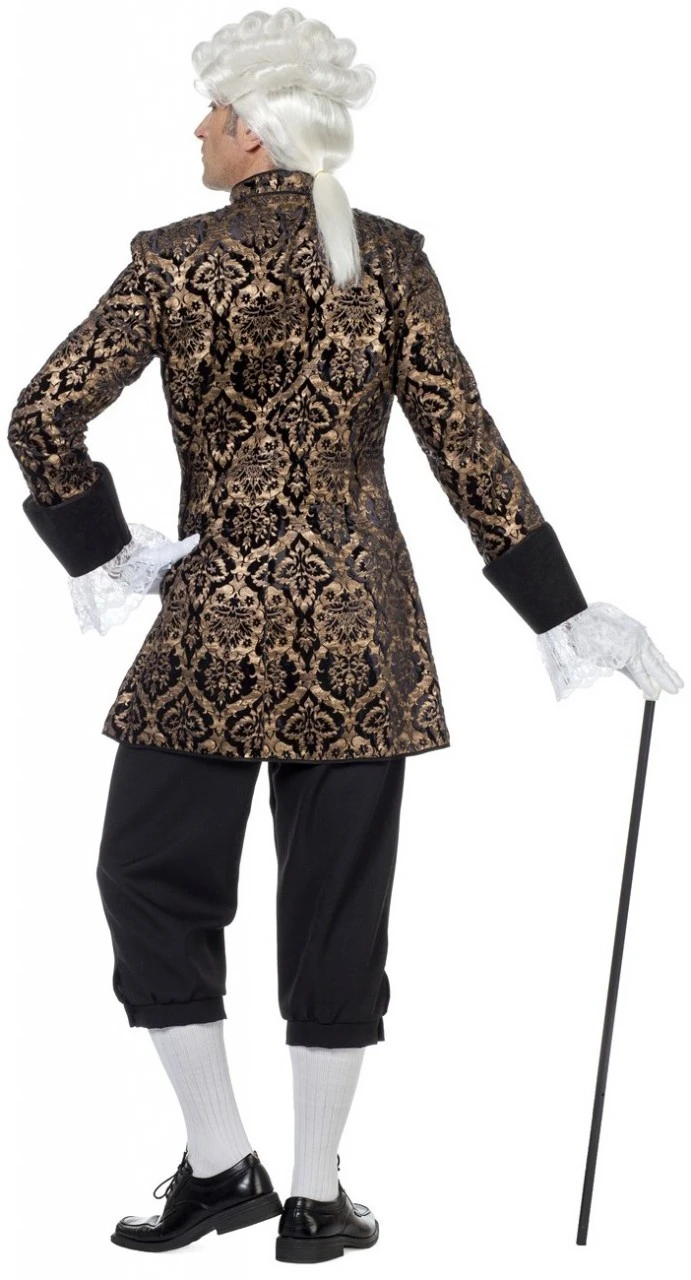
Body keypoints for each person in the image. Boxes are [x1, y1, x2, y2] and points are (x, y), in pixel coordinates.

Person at [7, 7, 683, 1267]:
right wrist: (562, 607)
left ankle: (224, 1162)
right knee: (338, 904)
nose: (199, 128)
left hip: (214, 628)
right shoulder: (391, 259)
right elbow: (463, 441)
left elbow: (42, 416)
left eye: (215, 111)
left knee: (148, 875)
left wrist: (105, 548)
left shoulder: (173, 261)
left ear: (258, 134)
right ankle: (313, 1195)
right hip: (361, 629)